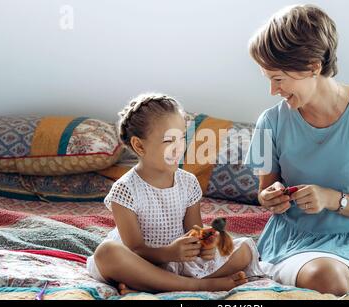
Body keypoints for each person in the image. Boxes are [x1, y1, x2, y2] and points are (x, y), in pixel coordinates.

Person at [244, 4, 349, 300]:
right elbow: (262, 194)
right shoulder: (267, 121)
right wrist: (270, 197)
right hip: (295, 242)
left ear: (313, 66)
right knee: (328, 277)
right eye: (268, 79)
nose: (273, 91)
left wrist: (330, 199)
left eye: (278, 78)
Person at [86, 93, 263, 294]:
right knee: (106, 253)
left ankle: (150, 284)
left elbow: (193, 230)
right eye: (169, 140)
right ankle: (198, 285)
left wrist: (206, 244)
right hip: (142, 261)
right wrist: (169, 252)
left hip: (179, 262)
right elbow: (135, 249)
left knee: (244, 251)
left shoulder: (188, 182)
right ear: (139, 145)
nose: (179, 147)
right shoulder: (125, 189)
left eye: (181, 138)